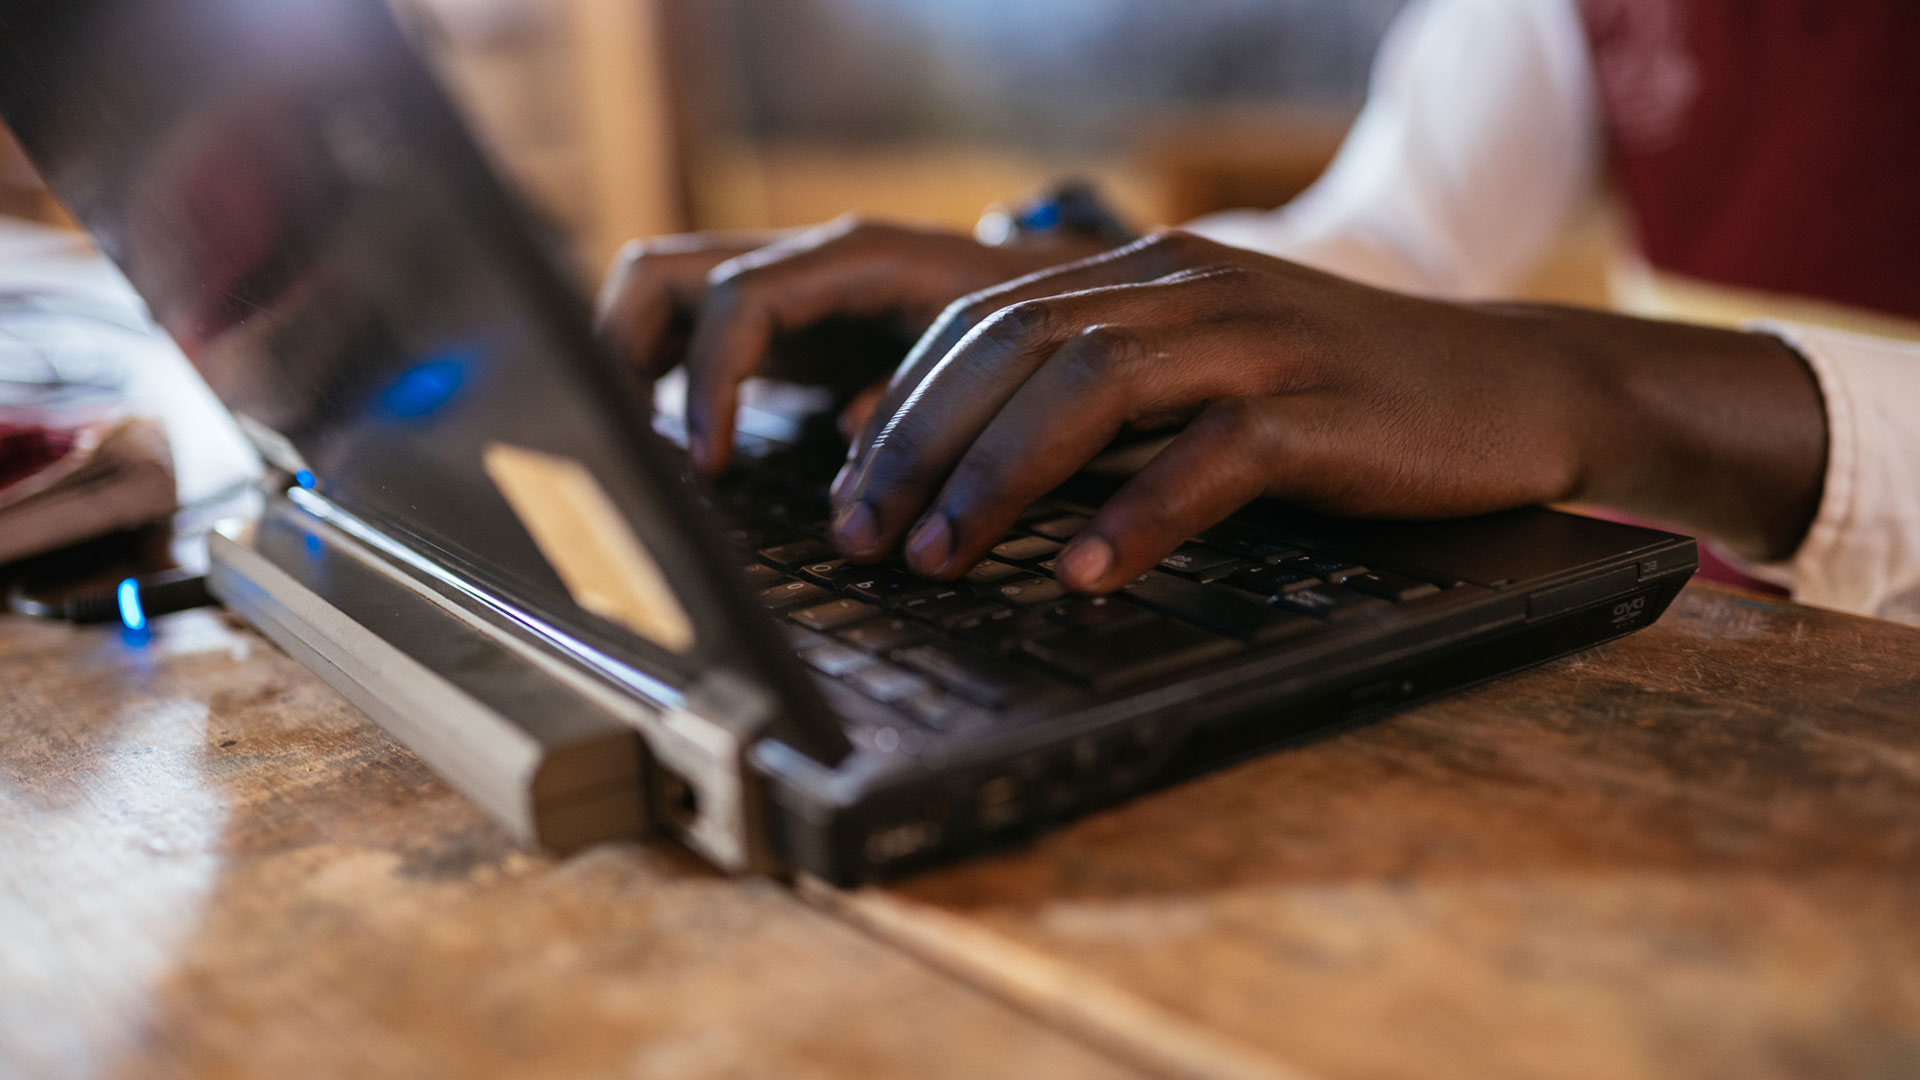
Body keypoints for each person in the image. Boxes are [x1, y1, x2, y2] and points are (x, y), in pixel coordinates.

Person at [596, 0, 1920, 626]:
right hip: (1724, 628)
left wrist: (1588, 383)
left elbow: (1535, 366)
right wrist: (1084, 285)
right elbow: (1394, 239)